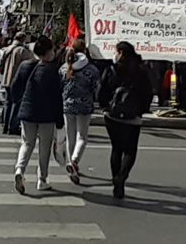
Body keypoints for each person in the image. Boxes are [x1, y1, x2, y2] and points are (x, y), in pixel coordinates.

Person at [97, 41, 154, 199]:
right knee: (130, 150)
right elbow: (148, 92)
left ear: (120, 52)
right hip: (133, 117)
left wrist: (105, 106)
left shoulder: (112, 70)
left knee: (116, 149)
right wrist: (142, 110)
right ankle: (121, 177)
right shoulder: (140, 70)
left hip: (112, 116)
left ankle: (116, 180)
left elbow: (101, 91)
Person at [12, 36, 63, 194]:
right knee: (44, 147)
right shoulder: (52, 71)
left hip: (27, 111)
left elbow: (15, 86)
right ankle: (42, 179)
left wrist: (19, 102)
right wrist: (59, 120)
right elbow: (57, 97)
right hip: (47, 114)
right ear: (48, 52)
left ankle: (19, 170)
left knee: (27, 143)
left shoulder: (25, 66)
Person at [60, 40, 100, 185]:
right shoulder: (91, 69)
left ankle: (71, 164)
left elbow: (60, 85)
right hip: (84, 105)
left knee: (70, 136)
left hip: (67, 105)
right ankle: (75, 160)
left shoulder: (65, 67)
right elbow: (96, 86)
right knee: (81, 136)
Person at [0, 33, 34, 135]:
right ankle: (13, 126)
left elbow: (0, 64)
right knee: (16, 103)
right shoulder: (22, 51)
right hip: (17, 80)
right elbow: (30, 62)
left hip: (6, 79)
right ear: (22, 39)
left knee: (7, 103)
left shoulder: (7, 49)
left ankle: (5, 125)